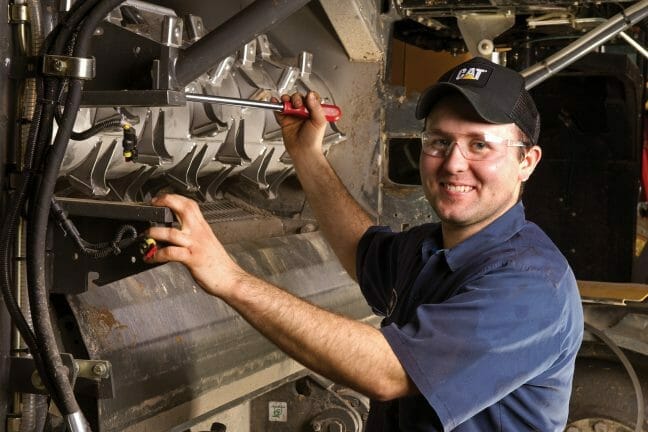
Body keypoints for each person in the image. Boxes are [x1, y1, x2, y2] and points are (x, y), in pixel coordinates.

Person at [146, 57, 584, 431]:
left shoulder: (530, 284)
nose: (453, 163)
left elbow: (387, 371)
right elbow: (363, 250)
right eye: (440, 141)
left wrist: (230, 279)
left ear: (526, 161)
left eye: (479, 146)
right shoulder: (434, 248)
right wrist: (307, 156)